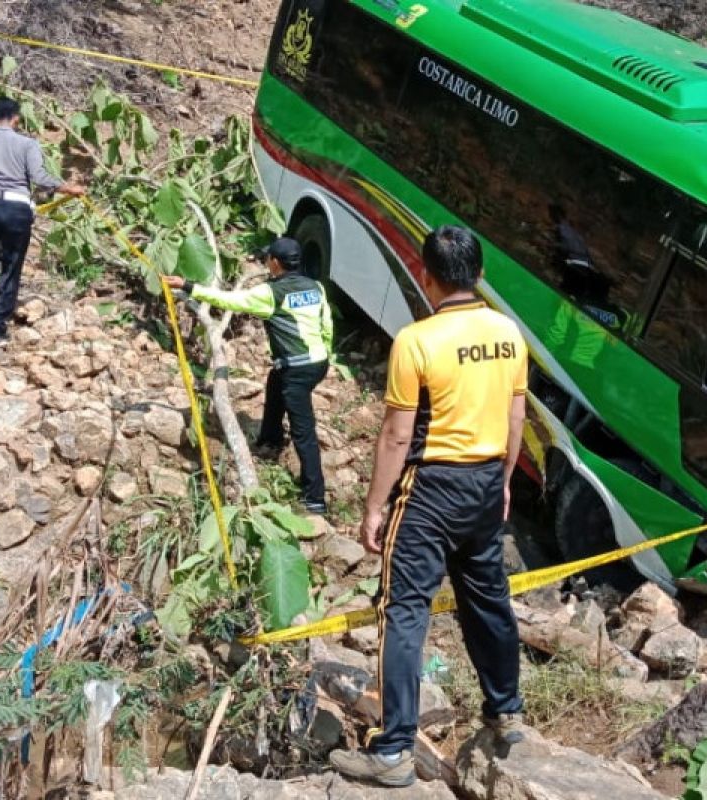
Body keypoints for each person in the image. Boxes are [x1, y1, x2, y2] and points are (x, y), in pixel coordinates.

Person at [329, 225, 527, 787]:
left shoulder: (416, 341)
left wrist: (374, 506)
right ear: (480, 275)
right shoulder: (507, 334)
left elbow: (396, 436)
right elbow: (516, 418)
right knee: (488, 596)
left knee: (404, 610)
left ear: (426, 276)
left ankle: (392, 750)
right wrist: (505, 478)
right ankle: (505, 709)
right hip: (488, 482)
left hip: (431, 490)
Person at [164, 237, 334, 514]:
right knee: (275, 379)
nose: (267, 262)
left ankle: (315, 497)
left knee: (304, 432)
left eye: (269, 258)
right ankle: (270, 438)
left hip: (298, 368)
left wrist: (187, 286)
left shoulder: (271, 293)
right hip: (318, 363)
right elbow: (326, 324)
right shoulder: (315, 287)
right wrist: (323, 354)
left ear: (275, 263)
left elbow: (229, 300)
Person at [0, 96, 85, 347]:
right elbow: (38, 176)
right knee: (11, 267)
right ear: (16, 118)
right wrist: (67, 188)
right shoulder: (27, 144)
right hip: (17, 208)